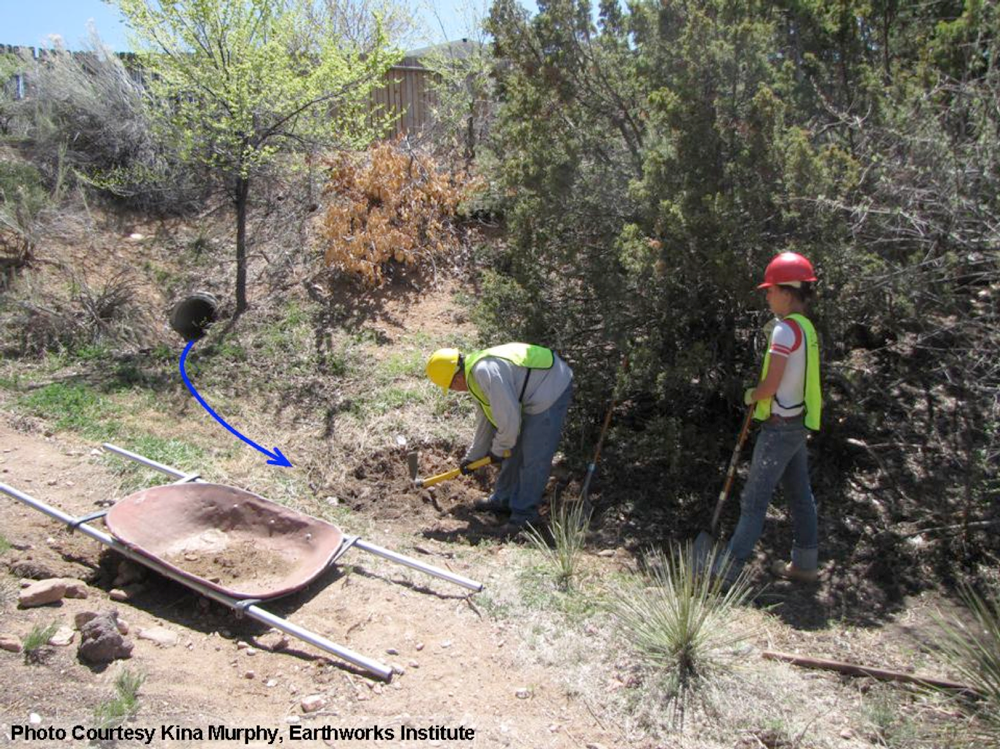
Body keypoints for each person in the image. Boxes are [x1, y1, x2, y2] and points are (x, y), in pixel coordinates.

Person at [722, 252, 823, 584]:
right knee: (800, 494)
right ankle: (805, 564)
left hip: (779, 427)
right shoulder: (807, 329)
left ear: (788, 292)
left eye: (770, 290)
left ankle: (727, 572)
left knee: (753, 500)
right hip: (797, 424)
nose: (767, 295)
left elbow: (769, 387)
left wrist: (750, 395)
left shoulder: (783, 331)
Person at [425, 343, 574, 536]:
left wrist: (498, 450)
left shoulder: (485, 372)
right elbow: (485, 421)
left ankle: (524, 517)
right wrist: (473, 457)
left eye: (451, 387)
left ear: (457, 378)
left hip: (551, 384)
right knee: (512, 448)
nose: (454, 390)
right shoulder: (474, 377)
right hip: (533, 390)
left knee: (534, 456)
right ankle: (503, 500)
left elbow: (509, 421)